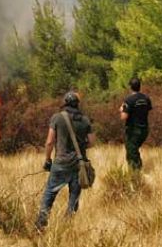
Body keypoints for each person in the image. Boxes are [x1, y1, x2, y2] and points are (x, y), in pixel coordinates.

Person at [35, 91, 95, 231]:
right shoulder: (85, 120)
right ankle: (68, 226)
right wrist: (80, 147)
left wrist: (47, 160)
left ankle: (41, 225)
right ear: (77, 104)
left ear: (65, 103)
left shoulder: (57, 118)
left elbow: (49, 142)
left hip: (61, 163)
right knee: (74, 197)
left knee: (49, 194)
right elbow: (92, 142)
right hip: (78, 165)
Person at [120, 77, 152, 170]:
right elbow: (147, 109)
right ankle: (136, 172)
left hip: (133, 131)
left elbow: (123, 117)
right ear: (139, 86)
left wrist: (122, 109)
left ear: (130, 87)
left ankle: (136, 174)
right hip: (144, 130)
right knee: (134, 150)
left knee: (131, 153)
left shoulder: (129, 100)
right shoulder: (146, 98)